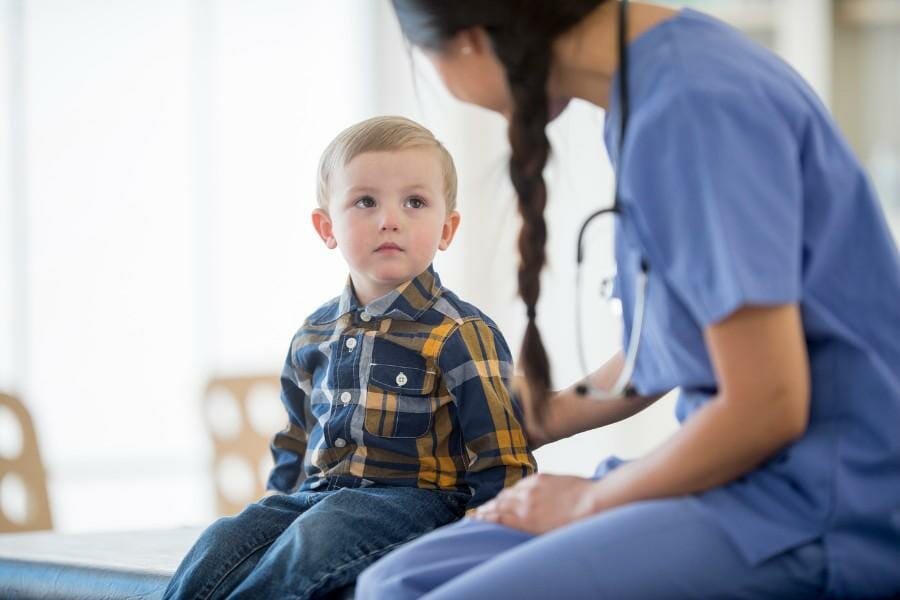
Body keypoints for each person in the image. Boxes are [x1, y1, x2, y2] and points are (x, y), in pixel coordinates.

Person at [356, 1, 900, 598]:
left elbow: (768, 402)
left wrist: (588, 501)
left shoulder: (691, 106)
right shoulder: (655, 87)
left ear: (468, 42)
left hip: (815, 503)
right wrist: (530, 419)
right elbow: (680, 341)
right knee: (393, 580)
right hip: (751, 481)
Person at [163, 115, 536, 599]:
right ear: (327, 227)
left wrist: (484, 538)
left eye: (415, 202)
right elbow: (296, 435)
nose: (390, 218)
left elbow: (503, 454)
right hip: (318, 496)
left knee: (315, 536)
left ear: (447, 228)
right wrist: (280, 505)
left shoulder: (460, 332)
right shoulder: (313, 333)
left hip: (417, 501)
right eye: (365, 201)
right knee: (223, 539)